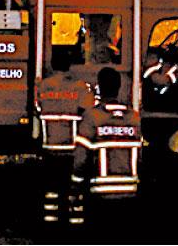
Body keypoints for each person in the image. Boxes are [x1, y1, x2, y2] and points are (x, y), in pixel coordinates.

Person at [70, 67, 142, 225]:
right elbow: (140, 156)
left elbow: (81, 159)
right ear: (119, 87)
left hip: (101, 195)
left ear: (99, 88)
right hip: (130, 193)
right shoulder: (134, 118)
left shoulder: (92, 117)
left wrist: (76, 185)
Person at [36, 49, 95, 224]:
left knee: (51, 188)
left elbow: (38, 108)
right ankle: (74, 224)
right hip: (72, 148)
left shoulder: (42, 86)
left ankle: (50, 222)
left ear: (52, 65)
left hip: (50, 147)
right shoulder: (80, 87)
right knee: (74, 188)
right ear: (70, 67)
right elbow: (89, 110)